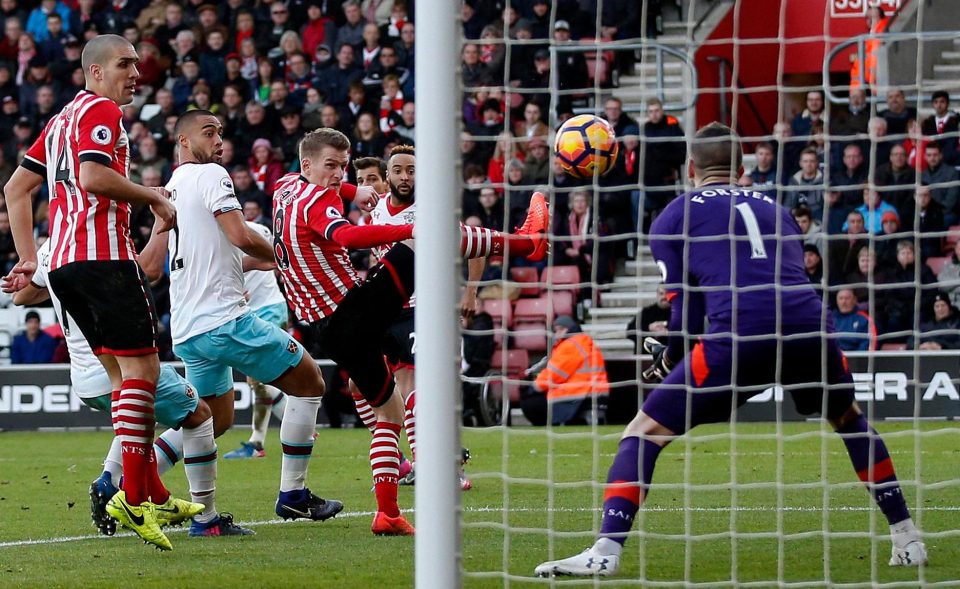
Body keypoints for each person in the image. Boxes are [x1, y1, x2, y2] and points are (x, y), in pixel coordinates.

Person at [534, 123, 926, 578]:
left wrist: (672, 355)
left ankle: (605, 550)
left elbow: (686, 311)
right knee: (849, 420)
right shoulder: (777, 210)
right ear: (741, 169)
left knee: (642, 433)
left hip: (739, 332)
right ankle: (907, 536)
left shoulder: (672, 217)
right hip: (808, 327)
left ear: (691, 168)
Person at [273, 128, 548, 535]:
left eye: (343, 167)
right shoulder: (316, 200)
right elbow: (346, 235)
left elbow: (323, 193)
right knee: (425, 236)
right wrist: (405, 229)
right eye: (330, 166)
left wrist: (351, 192)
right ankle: (527, 244)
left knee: (390, 412)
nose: (338, 175)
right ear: (307, 164)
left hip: (327, 330)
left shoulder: (284, 190)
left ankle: (387, 514)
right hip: (351, 312)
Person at [1, 34, 184, 551]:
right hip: (102, 256)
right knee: (143, 374)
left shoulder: (59, 119)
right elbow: (94, 176)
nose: (136, 73)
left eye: (137, 65)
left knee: (124, 379)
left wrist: (30, 257)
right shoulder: (101, 109)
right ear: (95, 72)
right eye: (125, 64)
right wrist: (153, 198)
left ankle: (150, 490)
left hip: (62, 265)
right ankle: (133, 494)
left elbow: (16, 189)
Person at [164, 110, 343, 528]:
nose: (219, 140)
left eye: (221, 132)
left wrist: (255, 263)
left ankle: (152, 494)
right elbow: (241, 234)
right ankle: (294, 494)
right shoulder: (211, 175)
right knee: (310, 381)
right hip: (224, 319)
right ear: (185, 141)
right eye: (209, 133)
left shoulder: (173, 186)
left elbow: (218, 252)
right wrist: (289, 256)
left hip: (188, 326)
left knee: (213, 418)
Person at [9, 233, 232, 536]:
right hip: (118, 363)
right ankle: (205, 521)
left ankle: (110, 479)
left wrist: (41, 274)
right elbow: (151, 271)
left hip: (85, 376)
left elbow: (21, 296)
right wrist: (161, 222)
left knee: (140, 418)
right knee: (203, 416)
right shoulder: (99, 242)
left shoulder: (53, 246)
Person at [354, 144, 483, 490]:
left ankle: (436, 466)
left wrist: (470, 290)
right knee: (358, 384)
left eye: (411, 170)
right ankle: (404, 461)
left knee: (415, 390)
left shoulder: (432, 211)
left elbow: (477, 244)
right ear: (388, 177)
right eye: (398, 171)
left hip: (421, 310)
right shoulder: (377, 211)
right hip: (384, 311)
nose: (405, 177)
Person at [223, 221, 291, 460]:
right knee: (258, 382)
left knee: (257, 377)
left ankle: (298, 422)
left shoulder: (230, 233)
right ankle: (256, 442)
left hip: (264, 310)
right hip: (270, 307)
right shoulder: (258, 229)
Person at [520, 316, 609, 426]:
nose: (557, 334)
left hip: (579, 395)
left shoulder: (571, 345)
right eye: (556, 330)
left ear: (570, 329)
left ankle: (554, 424)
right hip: (593, 393)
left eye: (561, 329)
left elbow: (554, 374)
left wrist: (533, 387)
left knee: (530, 403)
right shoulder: (585, 342)